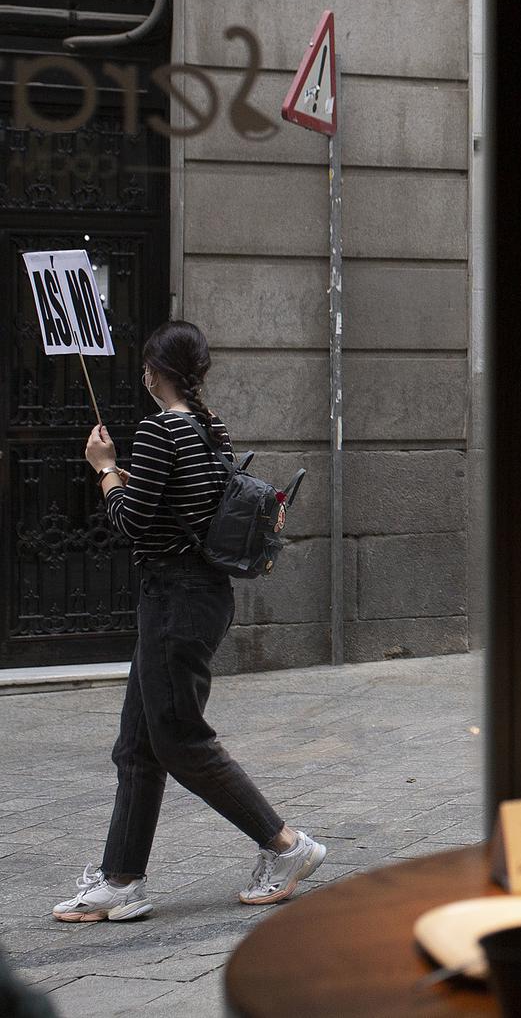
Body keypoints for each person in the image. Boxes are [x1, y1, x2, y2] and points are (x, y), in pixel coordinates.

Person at [53, 320, 325, 925]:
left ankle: (286, 846)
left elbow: (131, 524)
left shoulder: (159, 430)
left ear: (153, 372)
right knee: (138, 744)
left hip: (176, 601)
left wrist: (105, 468)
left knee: (179, 739)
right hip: (194, 597)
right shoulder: (212, 428)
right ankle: (122, 879)